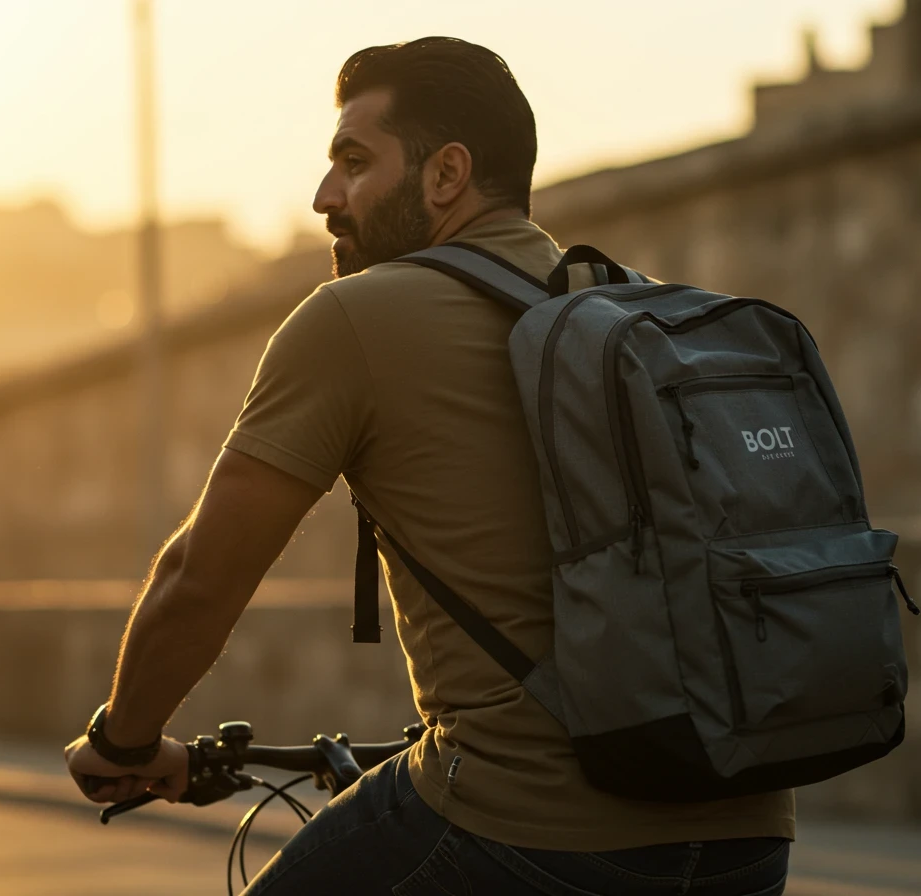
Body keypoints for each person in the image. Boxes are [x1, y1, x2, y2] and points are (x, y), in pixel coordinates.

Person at [65, 36, 793, 894]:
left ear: (447, 174)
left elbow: (200, 577)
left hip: (529, 830)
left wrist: (125, 739)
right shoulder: (625, 308)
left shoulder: (354, 319)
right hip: (745, 830)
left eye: (353, 161)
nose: (324, 195)